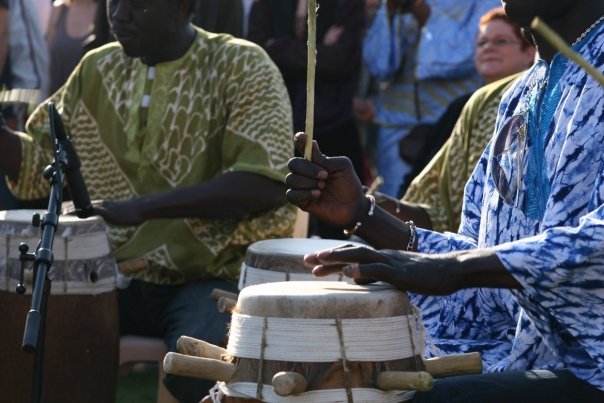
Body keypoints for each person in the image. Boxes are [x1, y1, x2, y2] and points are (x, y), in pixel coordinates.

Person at [286, 0, 604, 399]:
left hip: (592, 365)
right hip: (524, 356)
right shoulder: (519, 95)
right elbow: (481, 260)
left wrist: (456, 269)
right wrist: (363, 214)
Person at [0, 0, 296, 401]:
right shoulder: (97, 68)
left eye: (137, 6)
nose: (118, 15)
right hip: (110, 273)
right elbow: (39, 163)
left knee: (205, 370)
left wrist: (141, 208)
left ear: (181, 9)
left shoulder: (241, 65)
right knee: (28, 337)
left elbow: (264, 182)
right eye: (114, 2)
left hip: (208, 277)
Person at [392, 7, 537, 233]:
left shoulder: (539, 100)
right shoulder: (464, 106)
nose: (489, 47)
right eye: (482, 43)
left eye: (500, 41)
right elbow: (427, 181)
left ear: (529, 51)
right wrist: (372, 204)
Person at [364, 0, 499, 197]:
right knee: (393, 208)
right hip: (396, 131)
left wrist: (423, 12)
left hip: (452, 129)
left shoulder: (483, 3)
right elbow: (379, 66)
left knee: (448, 205)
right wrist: (390, 12)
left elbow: (465, 57)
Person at [46, 0, 98, 95]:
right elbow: (46, 58)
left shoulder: (101, 13)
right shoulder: (58, 9)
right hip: (53, 99)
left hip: (86, 100)